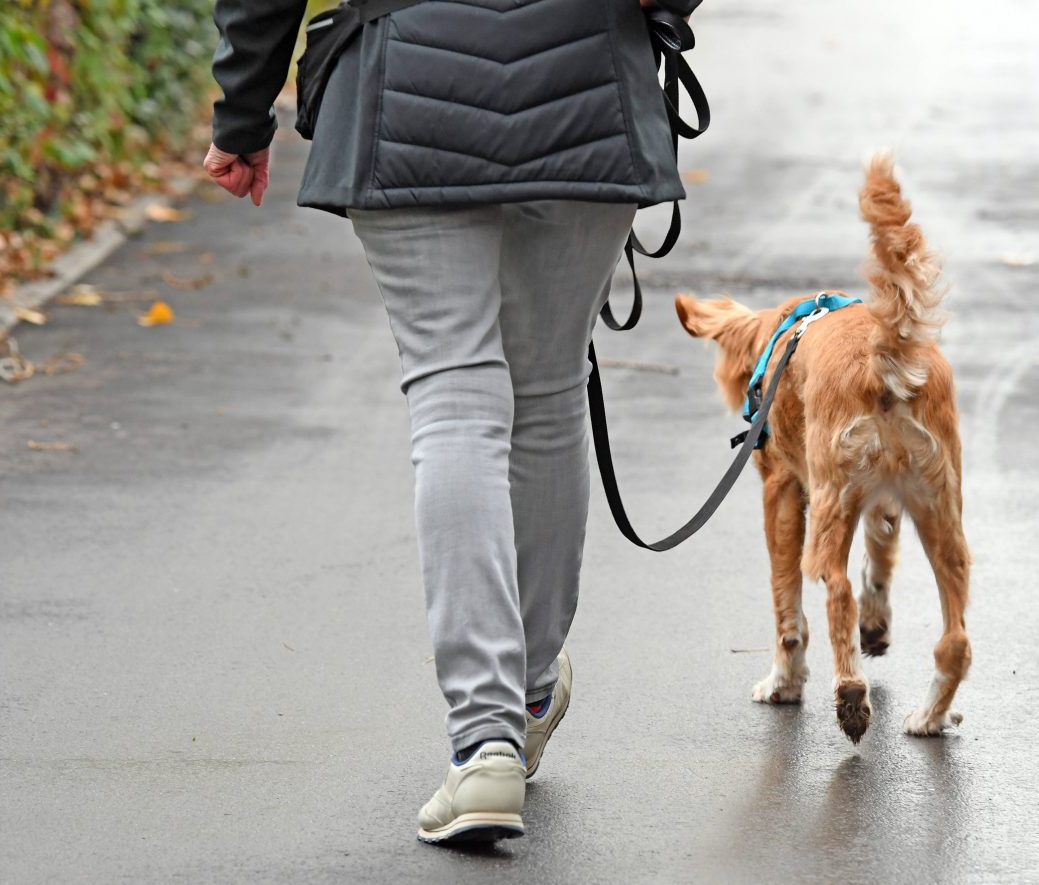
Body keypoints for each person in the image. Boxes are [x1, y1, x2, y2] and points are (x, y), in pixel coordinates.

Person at [205, 0, 687, 844]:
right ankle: (530, 689)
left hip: (407, 89)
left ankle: (484, 740)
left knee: (455, 397)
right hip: (585, 79)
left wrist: (243, 109)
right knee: (545, 391)